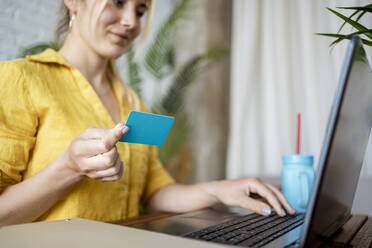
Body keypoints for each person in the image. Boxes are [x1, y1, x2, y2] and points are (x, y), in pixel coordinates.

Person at [0, 0, 295, 226]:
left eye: (140, 10)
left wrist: (218, 191)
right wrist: (69, 168)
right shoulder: (19, 79)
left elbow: (155, 193)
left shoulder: (133, 102)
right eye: (118, 1)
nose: (130, 21)